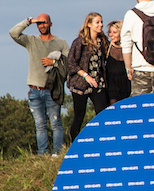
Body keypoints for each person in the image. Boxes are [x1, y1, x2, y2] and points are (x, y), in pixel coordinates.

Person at [9, 13, 68, 156]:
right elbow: (13, 33)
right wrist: (30, 21)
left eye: (44, 23)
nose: (42, 26)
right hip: (35, 90)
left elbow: (69, 64)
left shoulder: (61, 42)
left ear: (51, 24)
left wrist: (54, 63)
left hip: (53, 89)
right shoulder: (31, 41)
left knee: (55, 123)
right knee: (40, 126)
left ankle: (57, 154)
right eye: (39, 24)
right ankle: (43, 155)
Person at [66, 12, 111, 138]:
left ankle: (103, 139)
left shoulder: (102, 41)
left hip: (98, 82)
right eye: (97, 22)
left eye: (101, 22)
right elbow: (70, 62)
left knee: (102, 112)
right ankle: (74, 142)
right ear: (89, 24)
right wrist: (86, 75)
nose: (100, 25)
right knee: (79, 115)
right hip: (81, 84)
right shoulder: (80, 42)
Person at [104, 21, 130, 105]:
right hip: (112, 89)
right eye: (110, 32)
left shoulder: (128, 49)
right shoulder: (107, 47)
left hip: (127, 88)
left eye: (114, 32)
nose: (111, 35)